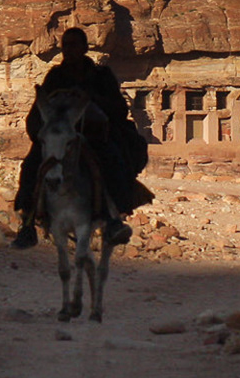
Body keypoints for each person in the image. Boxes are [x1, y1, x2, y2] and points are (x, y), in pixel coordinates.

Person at [12, 27, 151, 249]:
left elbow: (118, 109)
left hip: (94, 136)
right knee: (31, 165)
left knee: (113, 160)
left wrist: (91, 99)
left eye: (74, 45)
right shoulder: (55, 76)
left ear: (85, 48)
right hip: (62, 136)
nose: (69, 50)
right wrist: (41, 136)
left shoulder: (100, 75)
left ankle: (114, 220)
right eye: (66, 45)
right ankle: (28, 222)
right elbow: (40, 109)